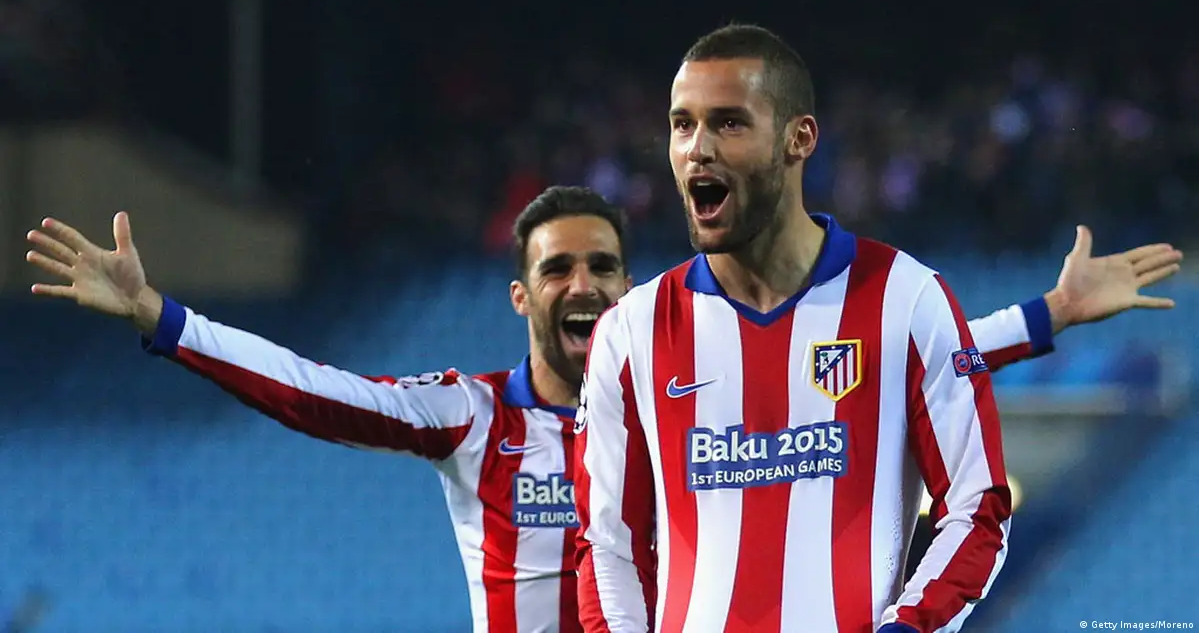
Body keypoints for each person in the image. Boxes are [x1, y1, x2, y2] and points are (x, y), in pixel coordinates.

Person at [24, 181, 1177, 633]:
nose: (583, 284)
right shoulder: (468, 416)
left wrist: (1046, 313)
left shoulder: (692, 395)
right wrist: (165, 317)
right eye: (557, 268)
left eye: (603, 266)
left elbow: (906, 360)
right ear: (521, 294)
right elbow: (316, 393)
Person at [571, 25, 1183, 633]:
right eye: (682, 125)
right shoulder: (631, 332)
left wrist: (905, 629)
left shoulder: (906, 299)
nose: (697, 149)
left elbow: (976, 508)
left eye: (729, 123)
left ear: (798, 139)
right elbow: (607, 543)